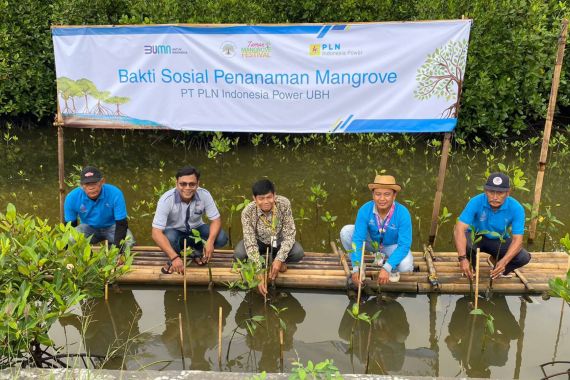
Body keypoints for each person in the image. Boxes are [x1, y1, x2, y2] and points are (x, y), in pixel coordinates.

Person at [152, 165, 228, 274]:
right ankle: (174, 257)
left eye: (192, 184)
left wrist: (210, 242)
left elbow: (216, 220)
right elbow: (156, 233)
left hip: (196, 228)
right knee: (170, 237)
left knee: (221, 238)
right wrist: (174, 258)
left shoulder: (205, 195)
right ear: (176, 183)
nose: (187, 188)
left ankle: (197, 251)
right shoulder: (166, 200)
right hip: (174, 231)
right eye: (183, 184)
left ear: (198, 184)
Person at [454, 172, 531, 279]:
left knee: (523, 257)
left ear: (508, 193)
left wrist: (504, 261)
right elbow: (459, 229)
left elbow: (517, 240)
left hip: (498, 240)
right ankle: (471, 267)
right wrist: (462, 258)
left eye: (500, 193)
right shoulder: (476, 201)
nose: (495, 197)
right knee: (466, 243)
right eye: (491, 192)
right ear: (485, 191)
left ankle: (497, 265)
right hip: (476, 235)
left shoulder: (517, 208)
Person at [234, 179, 304, 295]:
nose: (266, 202)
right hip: (258, 241)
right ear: (254, 198)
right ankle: (261, 262)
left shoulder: (284, 204)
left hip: (276, 240)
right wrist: (257, 270)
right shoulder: (247, 212)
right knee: (239, 254)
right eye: (261, 198)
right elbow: (250, 241)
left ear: (275, 195)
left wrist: (279, 259)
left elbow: (290, 234)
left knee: (298, 252)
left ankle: (278, 263)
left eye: (269, 197)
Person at [340, 174, 413, 285]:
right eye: (378, 194)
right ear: (373, 195)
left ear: (394, 195)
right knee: (346, 232)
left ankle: (393, 269)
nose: (382, 199)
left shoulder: (403, 213)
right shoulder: (365, 209)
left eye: (387, 194)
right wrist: (356, 267)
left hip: (391, 245)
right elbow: (358, 239)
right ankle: (360, 266)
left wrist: (386, 267)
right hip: (372, 242)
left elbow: (404, 244)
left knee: (406, 265)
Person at [64, 165, 134, 250]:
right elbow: (70, 226)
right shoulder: (72, 197)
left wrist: (117, 249)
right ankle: (87, 257)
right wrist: (67, 247)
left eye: (94, 183)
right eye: (87, 184)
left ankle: (112, 249)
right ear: (81, 185)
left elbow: (122, 224)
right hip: (88, 227)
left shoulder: (115, 193)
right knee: (71, 238)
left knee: (129, 242)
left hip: (112, 226)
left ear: (102, 182)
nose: (91, 187)